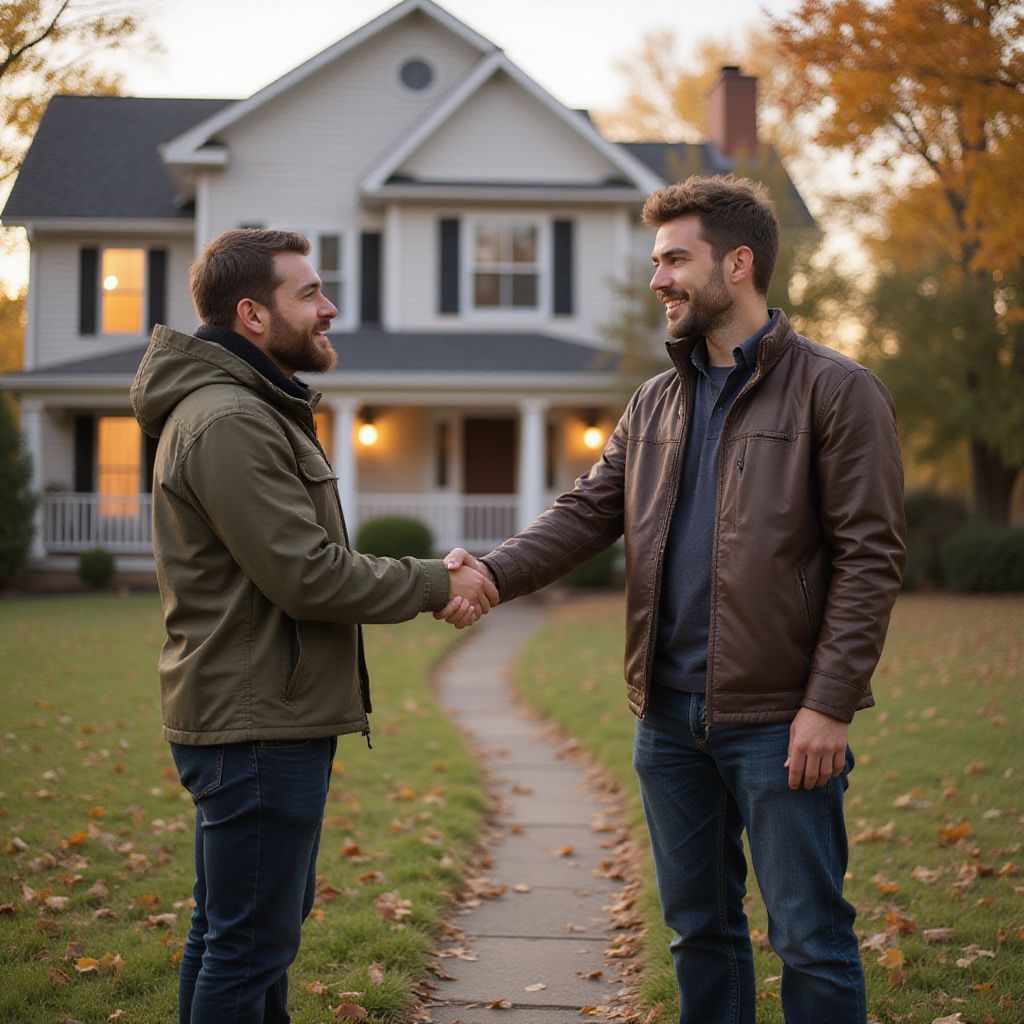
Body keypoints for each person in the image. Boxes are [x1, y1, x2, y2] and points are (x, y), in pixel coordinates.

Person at [440, 176, 906, 1024]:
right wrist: (493, 574)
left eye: (673, 260)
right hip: (668, 719)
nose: (657, 280)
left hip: (781, 722)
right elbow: (587, 513)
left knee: (808, 936)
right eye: (656, 262)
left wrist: (829, 705)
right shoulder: (658, 400)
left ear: (738, 262)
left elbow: (869, 558)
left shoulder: (837, 391)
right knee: (697, 930)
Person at [131, 228, 497, 1024]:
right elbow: (307, 574)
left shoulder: (250, 410)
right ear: (253, 314)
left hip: (259, 711)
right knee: (249, 945)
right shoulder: (229, 420)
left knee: (237, 935)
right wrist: (440, 579)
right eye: (310, 294)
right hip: (257, 720)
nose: (329, 309)